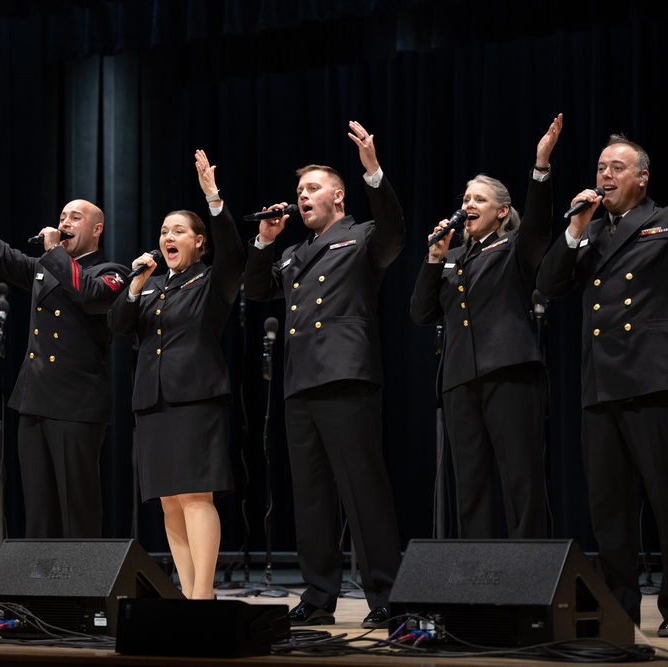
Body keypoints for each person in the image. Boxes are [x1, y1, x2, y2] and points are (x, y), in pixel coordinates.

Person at [244, 121, 403, 628]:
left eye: (311, 189)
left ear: (337, 195)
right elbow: (253, 289)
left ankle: (385, 592)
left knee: (362, 487)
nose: (302, 197)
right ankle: (318, 593)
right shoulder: (292, 254)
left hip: (346, 375)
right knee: (310, 493)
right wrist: (265, 241)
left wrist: (373, 171)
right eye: (298, 192)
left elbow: (395, 231)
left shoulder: (361, 238)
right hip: (300, 383)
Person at [0, 163, 128, 540]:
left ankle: (83, 592)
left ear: (97, 229)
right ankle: (43, 591)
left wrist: (53, 251)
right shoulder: (45, 267)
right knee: (38, 505)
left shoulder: (112, 271)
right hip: (34, 399)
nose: (64, 222)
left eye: (75, 217)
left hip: (76, 403)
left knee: (77, 504)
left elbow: (89, 294)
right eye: (62, 215)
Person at [536, 133, 668, 634]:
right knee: (609, 508)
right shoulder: (588, 231)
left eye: (617, 167)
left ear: (642, 177)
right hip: (599, 385)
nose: (605, 176)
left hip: (652, 381)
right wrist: (572, 229)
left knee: (664, 499)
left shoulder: (662, 222)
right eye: (599, 168)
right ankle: (619, 606)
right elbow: (547, 286)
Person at [410, 115, 562, 540]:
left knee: (520, 480)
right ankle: (478, 583)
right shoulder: (453, 256)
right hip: (459, 380)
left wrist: (541, 167)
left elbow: (538, 227)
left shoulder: (514, 246)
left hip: (510, 371)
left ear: (501, 211)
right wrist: (434, 258)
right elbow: (421, 313)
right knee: (471, 486)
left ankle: (528, 579)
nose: (468, 205)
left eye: (479, 199)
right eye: (465, 198)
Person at [108, 150, 242, 599]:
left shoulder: (210, 282)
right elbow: (117, 324)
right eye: (164, 231)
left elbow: (235, 257)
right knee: (168, 501)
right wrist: (134, 284)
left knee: (195, 496)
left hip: (195, 398)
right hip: (153, 402)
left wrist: (213, 199)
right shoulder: (152, 287)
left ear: (199, 241)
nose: (169, 236)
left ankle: (203, 594)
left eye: (179, 230)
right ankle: (186, 595)